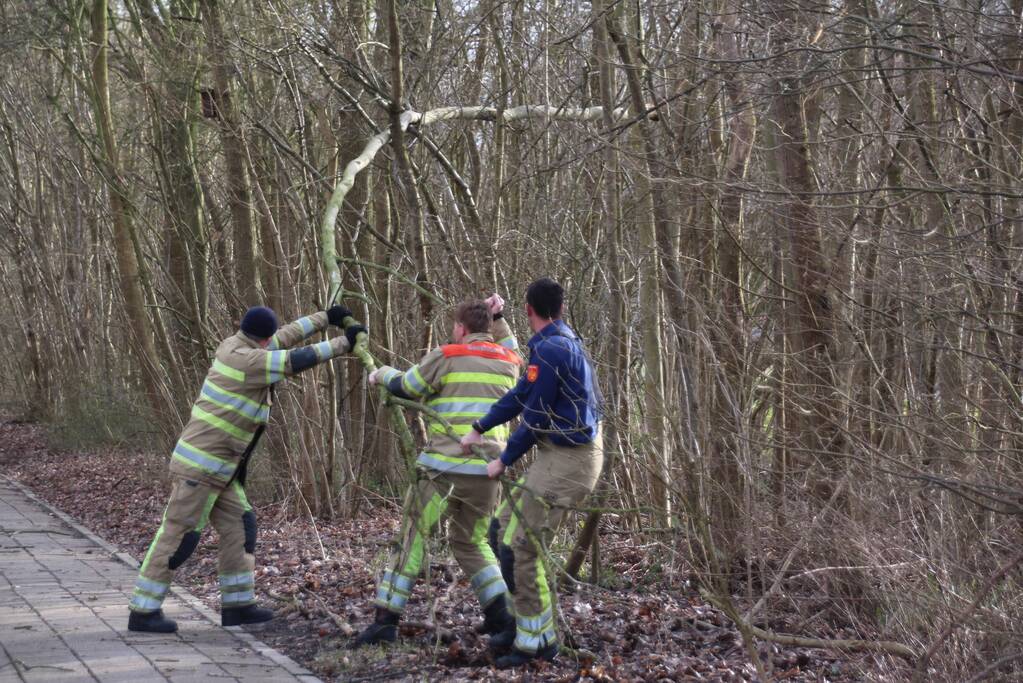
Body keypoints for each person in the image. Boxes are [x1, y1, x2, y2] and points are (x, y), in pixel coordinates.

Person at [127, 305, 366, 633]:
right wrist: (343, 345)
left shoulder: (239, 344)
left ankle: (238, 606)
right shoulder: (249, 361)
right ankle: (143, 610)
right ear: (262, 340)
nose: (273, 341)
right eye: (270, 339)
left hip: (220, 471)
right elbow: (294, 359)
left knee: (241, 527)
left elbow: (287, 336)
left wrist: (326, 317)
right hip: (201, 469)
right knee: (178, 537)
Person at [352, 296, 521, 647]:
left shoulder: (448, 356)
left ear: (460, 328)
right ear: (490, 328)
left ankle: (386, 620)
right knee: (472, 543)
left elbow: (407, 386)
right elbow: (510, 345)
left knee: (413, 537)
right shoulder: (510, 362)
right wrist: (500, 317)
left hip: (441, 473)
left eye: (454, 327)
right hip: (487, 474)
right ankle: (502, 615)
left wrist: (380, 374)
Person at [460, 277, 603, 668]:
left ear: (529, 311)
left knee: (522, 546)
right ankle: (522, 626)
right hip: (559, 454)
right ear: (559, 309)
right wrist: (480, 427)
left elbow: (535, 418)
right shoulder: (554, 343)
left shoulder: (555, 350)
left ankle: (537, 643)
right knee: (500, 532)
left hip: (571, 460)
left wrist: (502, 461)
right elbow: (521, 395)